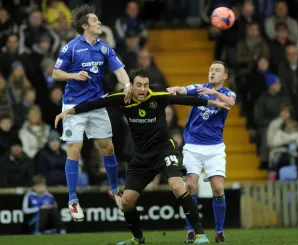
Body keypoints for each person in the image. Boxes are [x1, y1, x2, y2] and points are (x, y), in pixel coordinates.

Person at [55, 68, 230, 245]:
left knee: (177, 186)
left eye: (145, 85)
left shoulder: (156, 95)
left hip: (164, 151)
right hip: (142, 157)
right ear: (131, 85)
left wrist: (214, 104)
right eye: (138, 85)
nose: (142, 89)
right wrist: (69, 112)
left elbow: (185, 100)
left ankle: (200, 234)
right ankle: (138, 238)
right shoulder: (124, 97)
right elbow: (96, 103)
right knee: (126, 203)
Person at [52, 4, 131, 221]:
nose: (99, 23)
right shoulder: (71, 48)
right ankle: (72, 199)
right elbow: (56, 73)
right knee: (74, 149)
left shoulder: (104, 47)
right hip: (73, 105)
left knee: (108, 147)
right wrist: (74, 76)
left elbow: (119, 69)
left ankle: (114, 190)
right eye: (95, 20)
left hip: (96, 104)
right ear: (85, 25)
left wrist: (127, 85)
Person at [167, 61, 236, 243]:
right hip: (193, 146)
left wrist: (213, 93)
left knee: (218, 188)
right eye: (211, 69)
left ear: (225, 76)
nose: (212, 73)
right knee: (190, 186)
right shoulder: (199, 88)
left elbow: (230, 103)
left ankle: (219, 232)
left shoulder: (228, 93)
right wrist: (175, 89)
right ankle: (191, 230)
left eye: (217, 70)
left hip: (215, 148)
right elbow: (184, 89)